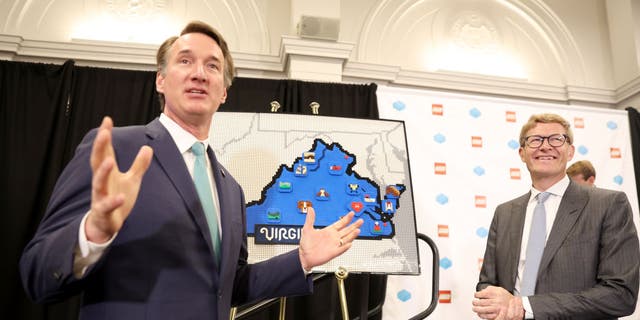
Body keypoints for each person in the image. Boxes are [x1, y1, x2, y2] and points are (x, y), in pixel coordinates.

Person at [19, 21, 363, 320]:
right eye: (185, 61)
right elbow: (37, 273)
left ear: (224, 92)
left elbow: (229, 285)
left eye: (213, 66)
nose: (199, 73)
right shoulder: (118, 150)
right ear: (160, 80)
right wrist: (92, 232)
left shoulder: (231, 190)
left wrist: (302, 259)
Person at [472, 113, 639, 320]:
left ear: (570, 151)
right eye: (535, 140)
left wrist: (525, 306)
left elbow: (620, 295)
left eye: (556, 139)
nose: (545, 146)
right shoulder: (504, 213)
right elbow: (487, 283)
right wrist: (491, 300)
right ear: (522, 153)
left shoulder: (608, 204)